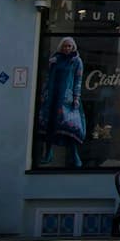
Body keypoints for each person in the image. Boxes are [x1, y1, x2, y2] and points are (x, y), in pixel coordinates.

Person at [39, 37, 86, 167]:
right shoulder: (55, 59)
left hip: (66, 98)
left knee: (68, 126)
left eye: (69, 46)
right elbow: (48, 78)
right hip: (52, 96)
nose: (67, 48)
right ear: (61, 47)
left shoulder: (76, 61)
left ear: (73, 47)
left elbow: (78, 80)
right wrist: (44, 93)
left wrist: (76, 97)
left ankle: (75, 156)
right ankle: (48, 153)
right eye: (65, 46)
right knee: (50, 125)